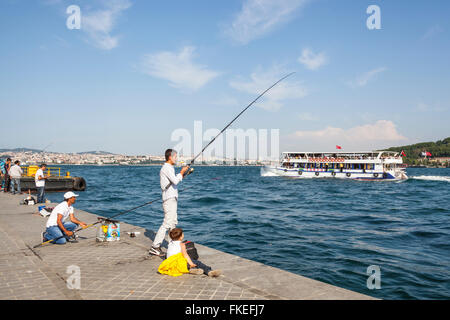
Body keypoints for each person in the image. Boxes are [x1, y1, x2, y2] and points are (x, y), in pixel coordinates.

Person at [149, 149, 189, 256]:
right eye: (175, 157)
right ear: (170, 157)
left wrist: (184, 174)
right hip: (169, 199)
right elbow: (175, 181)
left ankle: (173, 244)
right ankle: (155, 246)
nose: (176, 159)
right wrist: (181, 172)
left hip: (172, 198)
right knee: (167, 223)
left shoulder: (169, 168)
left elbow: (174, 181)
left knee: (173, 222)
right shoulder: (166, 168)